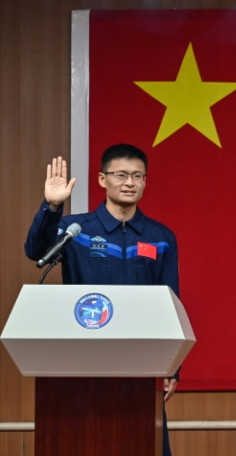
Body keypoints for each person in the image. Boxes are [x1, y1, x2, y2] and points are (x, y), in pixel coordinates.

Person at [25, 143, 180, 455]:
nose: (129, 182)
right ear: (101, 179)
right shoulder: (75, 230)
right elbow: (36, 252)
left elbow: (172, 304)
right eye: (121, 174)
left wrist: (171, 367)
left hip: (141, 361)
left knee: (142, 442)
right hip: (82, 358)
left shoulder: (160, 237)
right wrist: (52, 207)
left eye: (138, 176)